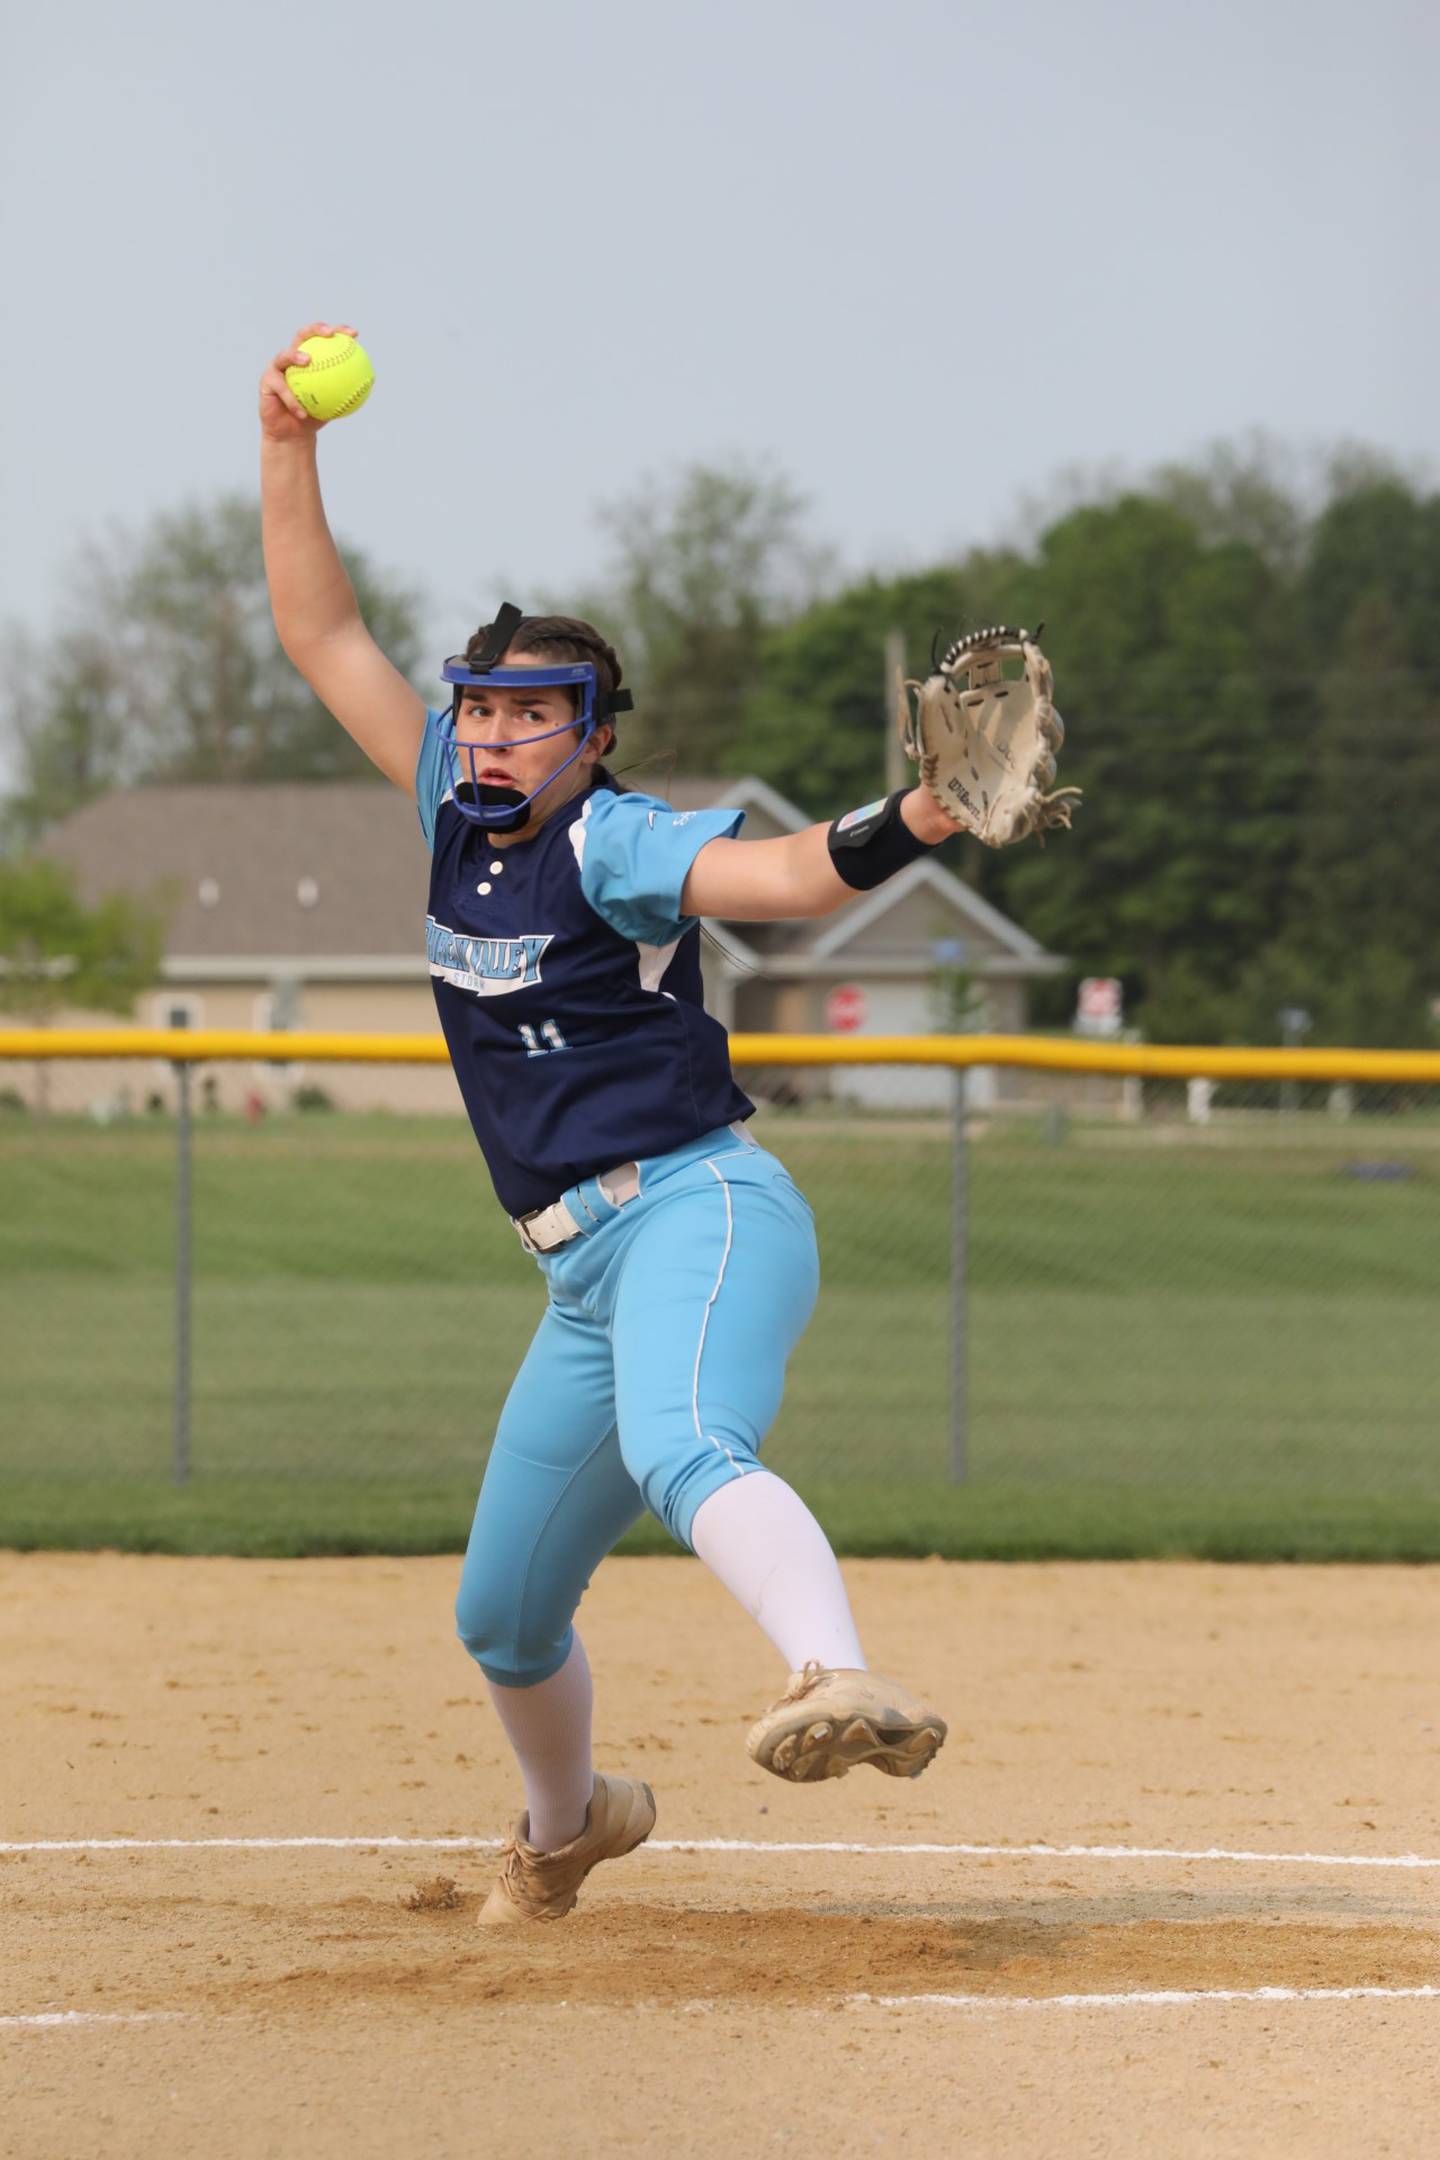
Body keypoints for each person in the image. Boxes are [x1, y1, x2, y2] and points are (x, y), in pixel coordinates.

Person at [259, 321, 951, 1927]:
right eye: (481, 711)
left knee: (684, 1443)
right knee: (501, 1614)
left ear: (594, 734)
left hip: (698, 1211)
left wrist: (908, 819)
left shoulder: (619, 844)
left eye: (532, 715)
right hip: (574, 1264)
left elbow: (778, 879)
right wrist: (287, 442)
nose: (496, 737)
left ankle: (836, 1673)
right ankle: (567, 1829)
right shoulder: (443, 798)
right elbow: (318, 629)